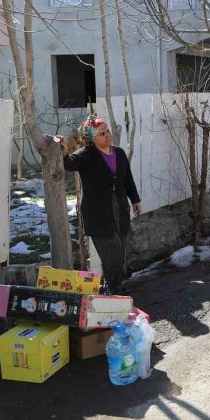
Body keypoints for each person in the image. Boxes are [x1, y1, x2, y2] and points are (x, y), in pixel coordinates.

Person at [60, 115, 141, 295]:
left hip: (119, 207)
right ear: (92, 138)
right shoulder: (86, 154)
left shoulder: (119, 153)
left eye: (107, 131)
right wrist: (64, 150)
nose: (107, 135)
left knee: (120, 247)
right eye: (101, 133)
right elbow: (69, 164)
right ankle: (113, 288)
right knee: (113, 250)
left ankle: (113, 285)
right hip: (98, 213)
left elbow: (127, 179)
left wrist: (135, 199)